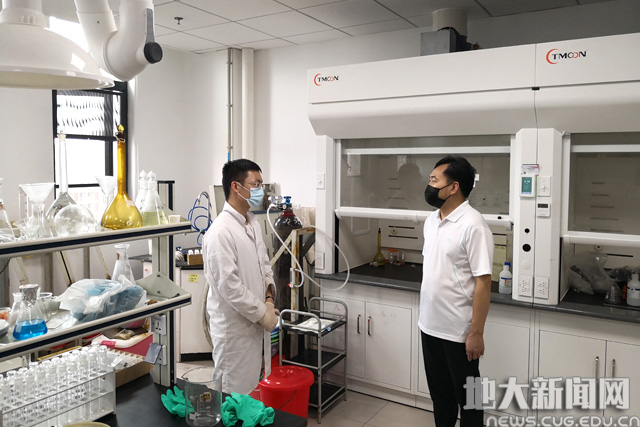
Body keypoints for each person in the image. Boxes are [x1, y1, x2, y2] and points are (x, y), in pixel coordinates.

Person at [419, 156, 494, 426]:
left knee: (470, 401)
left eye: (434, 180)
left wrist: (476, 333)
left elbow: (483, 283)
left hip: (459, 332)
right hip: (429, 326)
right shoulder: (431, 220)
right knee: (440, 397)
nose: (429, 185)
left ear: (453, 187)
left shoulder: (474, 225)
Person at [202, 159, 279, 394]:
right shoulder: (220, 232)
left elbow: (265, 265)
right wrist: (263, 315)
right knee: (232, 396)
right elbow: (229, 287)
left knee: (251, 392)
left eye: (262, 185)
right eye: (256, 185)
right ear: (236, 186)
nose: (260, 191)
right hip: (233, 333)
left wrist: (268, 301)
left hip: (253, 326)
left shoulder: (252, 222)